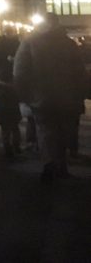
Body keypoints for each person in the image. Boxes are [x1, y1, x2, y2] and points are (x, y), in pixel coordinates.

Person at [14, 14, 87, 183]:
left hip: (40, 96)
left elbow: (20, 71)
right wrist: (80, 93)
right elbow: (79, 72)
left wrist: (24, 95)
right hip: (66, 96)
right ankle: (61, 166)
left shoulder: (29, 42)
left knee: (45, 131)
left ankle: (49, 163)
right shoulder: (67, 44)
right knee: (62, 131)